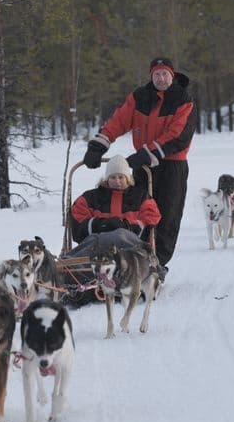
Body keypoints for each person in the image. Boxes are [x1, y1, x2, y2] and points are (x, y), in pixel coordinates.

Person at [81, 57, 195, 269]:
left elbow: (178, 136)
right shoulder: (140, 97)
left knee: (167, 217)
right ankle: (132, 260)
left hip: (172, 166)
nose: (161, 78)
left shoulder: (182, 99)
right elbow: (119, 120)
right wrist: (98, 145)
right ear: (151, 76)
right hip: (143, 167)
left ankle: (156, 264)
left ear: (172, 75)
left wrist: (147, 153)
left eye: (165, 74)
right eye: (157, 74)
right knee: (137, 212)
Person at [70, 155, 161, 244]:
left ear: (128, 179)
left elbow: (151, 217)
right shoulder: (90, 198)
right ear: (107, 179)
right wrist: (99, 225)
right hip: (97, 247)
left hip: (132, 248)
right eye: (113, 177)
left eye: (121, 177)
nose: (117, 181)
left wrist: (128, 227)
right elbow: (78, 218)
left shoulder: (141, 197)